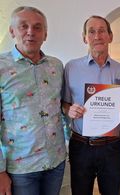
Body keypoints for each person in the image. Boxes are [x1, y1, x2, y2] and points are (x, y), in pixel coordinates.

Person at [0, 6, 67, 195]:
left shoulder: (56, 66)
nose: (31, 32)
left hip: (56, 160)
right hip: (21, 168)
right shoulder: (1, 67)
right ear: (12, 31)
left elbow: (61, 107)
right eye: (24, 26)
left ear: (45, 34)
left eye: (38, 27)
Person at [62, 15, 120, 195]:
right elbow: (64, 103)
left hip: (112, 147)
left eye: (102, 31)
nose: (97, 36)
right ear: (84, 37)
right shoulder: (71, 67)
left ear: (110, 36)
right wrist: (68, 109)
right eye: (91, 31)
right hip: (81, 146)